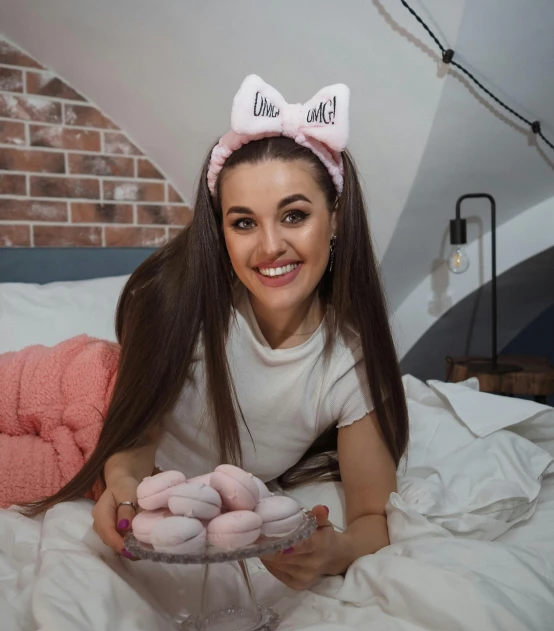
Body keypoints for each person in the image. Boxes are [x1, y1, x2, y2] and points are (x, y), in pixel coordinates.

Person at [24, 74, 408, 591]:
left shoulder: (350, 365)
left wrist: (333, 550)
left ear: (335, 220)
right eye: (244, 223)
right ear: (221, 232)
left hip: (76, 461)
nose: (270, 246)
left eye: (294, 215)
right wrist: (123, 483)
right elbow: (140, 431)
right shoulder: (184, 306)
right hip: (77, 385)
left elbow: (370, 520)